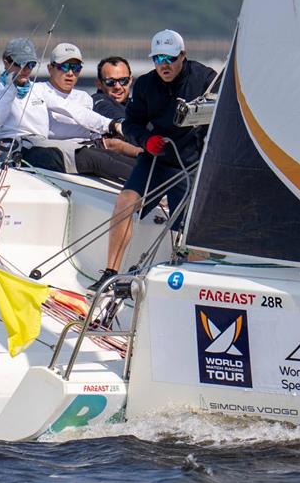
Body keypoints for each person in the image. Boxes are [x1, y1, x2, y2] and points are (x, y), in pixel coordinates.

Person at [88, 29, 218, 291]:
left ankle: (192, 281)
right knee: (126, 201)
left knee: (189, 224)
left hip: (190, 162)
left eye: (170, 58)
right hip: (156, 157)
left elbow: (223, 114)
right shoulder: (146, 85)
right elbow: (132, 123)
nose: (164, 65)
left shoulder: (205, 78)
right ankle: (110, 272)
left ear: (183, 56)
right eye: (158, 59)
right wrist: (146, 141)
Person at [0, 39, 129, 183]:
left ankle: (147, 179)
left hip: (38, 145)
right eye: (20, 64)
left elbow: (72, 110)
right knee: (94, 159)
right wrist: (9, 89)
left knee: (106, 155)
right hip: (16, 151)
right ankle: (142, 182)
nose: (25, 70)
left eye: (31, 65)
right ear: (6, 62)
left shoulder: (36, 89)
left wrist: (112, 125)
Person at [92, 56, 143, 158]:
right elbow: (110, 112)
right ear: (99, 84)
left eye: (123, 80)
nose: (118, 86)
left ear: (130, 81)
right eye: (110, 82)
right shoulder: (96, 101)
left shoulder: (138, 104)